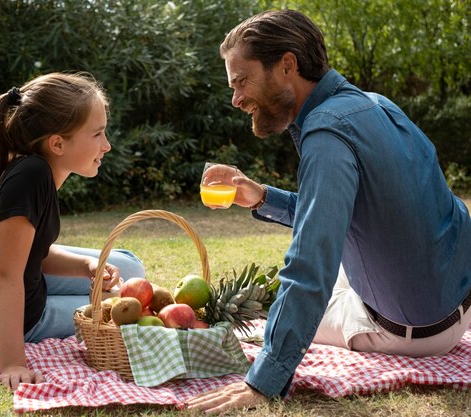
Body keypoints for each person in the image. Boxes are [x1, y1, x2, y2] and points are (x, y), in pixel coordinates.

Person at [188, 9, 471, 414]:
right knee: (332, 277)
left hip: (420, 333)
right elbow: (355, 215)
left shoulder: (326, 133)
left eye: (241, 80)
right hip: (457, 295)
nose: (236, 99)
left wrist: (264, 381)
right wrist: (262, 196)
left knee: (271, 318)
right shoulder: (374, 105)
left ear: (287, 65)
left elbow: (310, 262)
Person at [0, 72, 145, 391]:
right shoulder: (32, 176)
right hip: (19, 317)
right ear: (58, 143)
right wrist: (12, 363)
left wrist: (85, 267)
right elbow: (5, 274)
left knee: (129, 268)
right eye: (98, 134)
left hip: (23, 285)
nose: (107, 145)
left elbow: (28, 252)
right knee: (122, 307)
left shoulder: (35, 170)